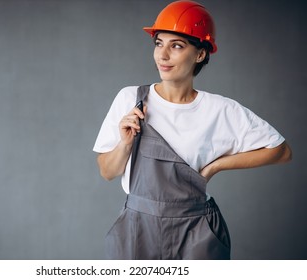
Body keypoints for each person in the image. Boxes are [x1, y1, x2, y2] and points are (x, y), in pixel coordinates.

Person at [93, 0, 292, 260]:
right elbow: (108, 172)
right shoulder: (130, 99)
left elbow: (281, 151)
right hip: (137, 229)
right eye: (159, 43)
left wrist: (216, 166)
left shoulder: (220, 110)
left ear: (200, 54)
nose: (162, 55)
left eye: (176, 46)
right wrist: (125, 143)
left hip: (197, 231)